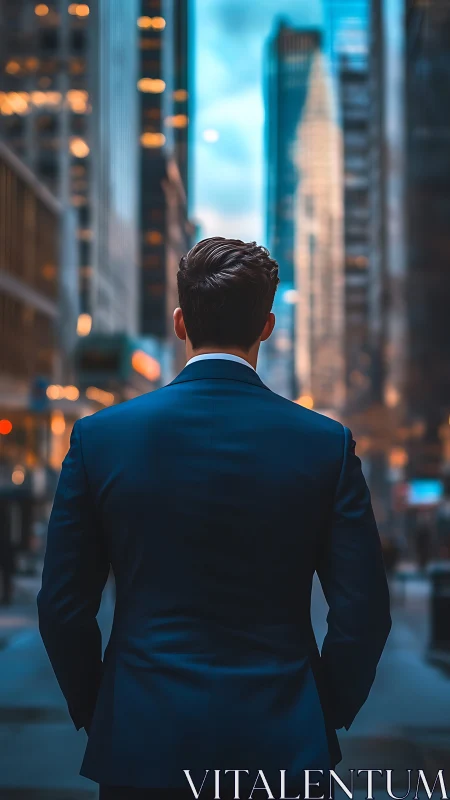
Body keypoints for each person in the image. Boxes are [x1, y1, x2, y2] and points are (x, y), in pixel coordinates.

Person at [37, 238, 391, 800]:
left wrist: (102, 707)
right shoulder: (325, 444)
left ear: (180, 323)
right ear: (267, 326)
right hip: (285, 744)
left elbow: (61, 607)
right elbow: (365, 613)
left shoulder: (101, 438)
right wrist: (323, 711)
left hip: (141, 739)